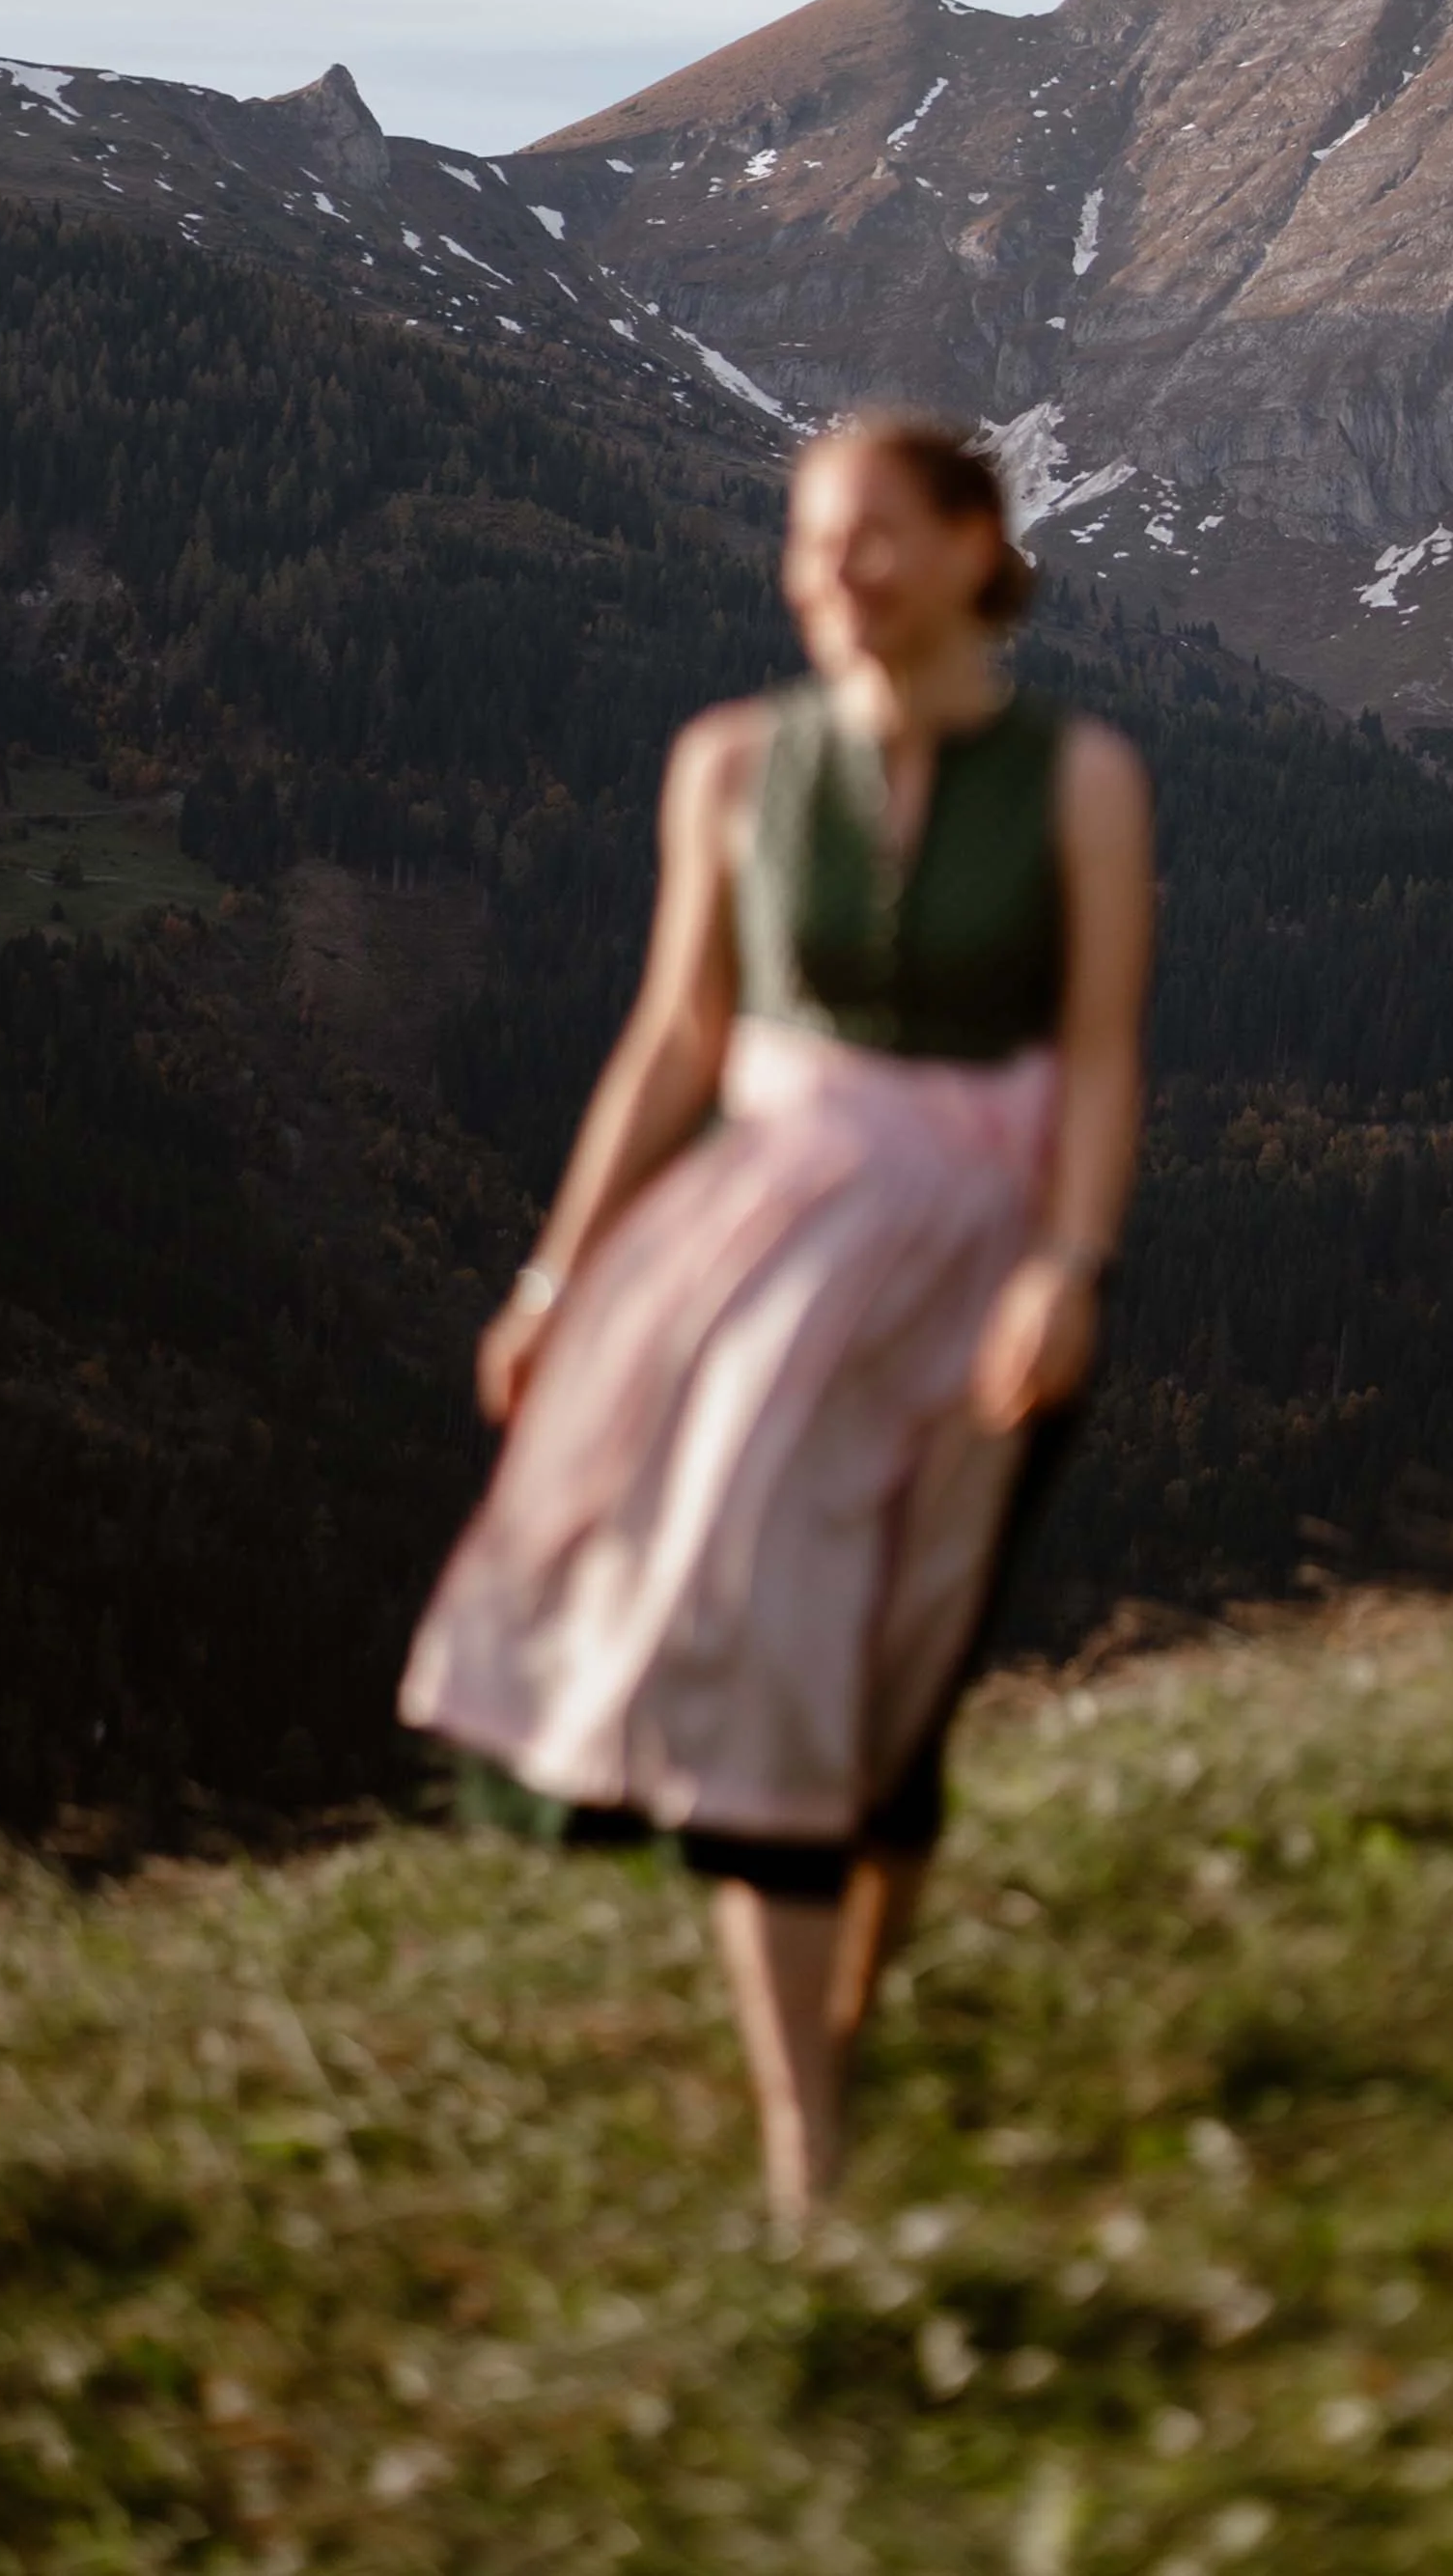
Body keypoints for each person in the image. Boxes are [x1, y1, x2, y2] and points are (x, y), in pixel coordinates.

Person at [400, 415, 1154, 2220]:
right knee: (770, 1657)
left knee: (901, 1702)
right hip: (773, 1269)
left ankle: (850, 2021)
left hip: (986, 1279)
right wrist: (556, 1277)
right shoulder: (732, 765)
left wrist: (1066, 1267)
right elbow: (675, 1041)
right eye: (811, 542)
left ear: (973, 546)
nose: (833, 575)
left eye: (871, 537)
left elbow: (1101, 1057)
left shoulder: (1079, 781)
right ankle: (804, 2144)